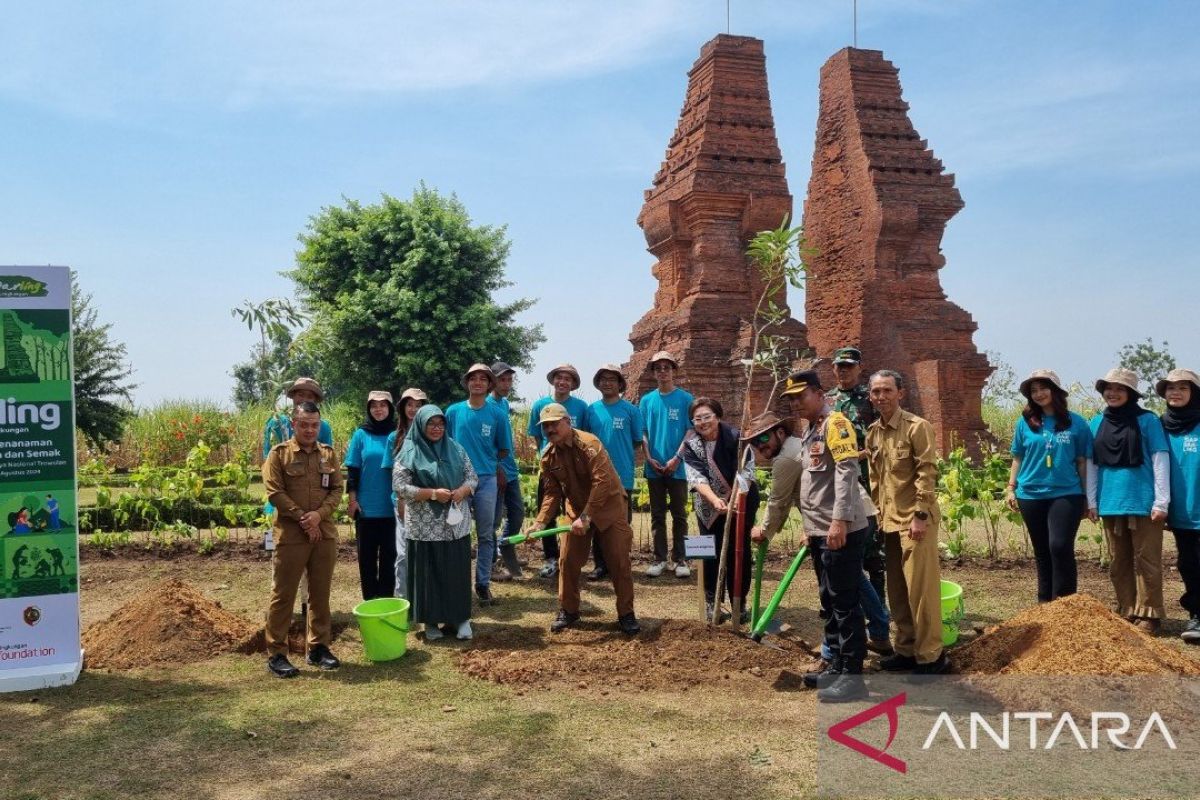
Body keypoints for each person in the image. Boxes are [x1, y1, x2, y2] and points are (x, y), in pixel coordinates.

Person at [752, 374, 872, 702]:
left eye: (800, 396)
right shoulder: (811, 430)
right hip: (819, 530)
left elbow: (848, 472)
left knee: (846, 604)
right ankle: (834, 665)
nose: (794, 403)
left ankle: (853, 676)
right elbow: (814, 482)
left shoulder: (837, 424)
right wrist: (812, 529)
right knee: (830, 602)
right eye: (790, 399)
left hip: (840, 528)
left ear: (819, 393)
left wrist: (839, 522)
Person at [530, 403, 639, 635]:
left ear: (568, 422)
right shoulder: (548, 457)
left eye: (555, 424)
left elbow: (602, 483)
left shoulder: (590, 444)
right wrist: (540, 522)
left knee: (619, 561)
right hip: (576, 511)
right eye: (545, 426)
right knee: (567, 561)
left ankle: (626, 614)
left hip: (608, 508)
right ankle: (568, 611)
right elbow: (552, 493)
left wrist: (587, 517)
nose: (550, 430)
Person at [866, 370, 947, 674]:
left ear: (900, 393)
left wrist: (921, 515)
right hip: (889, 522)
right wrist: (876, 513)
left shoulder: (917, 427)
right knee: (898, 589)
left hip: (915, 521)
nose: (881, 396)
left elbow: (927, 472)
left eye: (887, 390)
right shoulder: (874, 432)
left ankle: (931, 656)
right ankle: (906, 648)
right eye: (876, 391)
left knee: (921, 590)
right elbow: (876, 478)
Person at [262, 402, 343, 678]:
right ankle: (277, 653)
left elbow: (337, 490)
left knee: (320, 594)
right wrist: (303, 518)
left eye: (314, 425)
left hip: (323, 534)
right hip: (291, 536)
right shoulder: (279, 455)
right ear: (294, 424)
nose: (310, 429)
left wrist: (318, 517)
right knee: (283, 595)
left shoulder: (328, 455)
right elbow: (274, 492)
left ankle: (318, 648)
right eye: (304, 424)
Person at [1087, 367, 1170, 633]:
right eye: (1108, 388)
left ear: (1131, 393)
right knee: (1118, 560)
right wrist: (1091, 501)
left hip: (1143, 501)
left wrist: (1161, 501)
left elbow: (1160, 458)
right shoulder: (1096, 423)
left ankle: (1150, 613)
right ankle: (1127, 608)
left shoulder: (1147, 420)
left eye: (1120, 389)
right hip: (1110, 501)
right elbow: (1092, 465)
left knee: (1147, 559)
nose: (1113, 393)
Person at [1004, 370, 1092, 603]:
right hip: (1030, 494)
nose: (1039, 394)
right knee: (1042, 550)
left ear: (1055, 391)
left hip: (1067, 493)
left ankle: (1065, 603)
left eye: (1044, 388)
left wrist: (1087, 497)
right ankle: (1044, 602)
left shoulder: (1077, 423)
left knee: (1060, 546)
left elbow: (1083, 462)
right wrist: (1011, 488)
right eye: (1034, 391)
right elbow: (1017, 457)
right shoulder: (1024, 424)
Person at [393, 405, 478, 641]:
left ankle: (460, 619)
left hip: (454, 526)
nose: (436, 428)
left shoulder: (456, 448)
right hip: (424, 527)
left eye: (440, 424)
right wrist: (431, 493)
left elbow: (472, 477)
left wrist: (462, 490)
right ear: (420, 425)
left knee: (455, 572)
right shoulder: (408, 451)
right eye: (431, 423)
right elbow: (400, 487)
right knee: (428, 575)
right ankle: (430, 623)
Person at [826, 346, 891, 653]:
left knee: (873, 558)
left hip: (871, 485)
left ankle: (879, 624)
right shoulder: (828, 400)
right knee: (844, 555)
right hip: (840, 489)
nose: (844, 371)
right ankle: (855, 618)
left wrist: (867, 453)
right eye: (839, 366)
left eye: (849, 366)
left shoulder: (873, 398)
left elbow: (887, 435)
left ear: (859, 368)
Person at [680, 397, 759, 622]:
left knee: (739, 550)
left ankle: (738, 601)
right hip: (709, 506)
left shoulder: (736, 438)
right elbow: (696, 477)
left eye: (707, 417)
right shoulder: (691, 444)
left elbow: (747, 471)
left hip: (741, 500)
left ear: (718, 417)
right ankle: (711, 601)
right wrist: (715, 500)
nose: (703, 422)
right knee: (708, 553)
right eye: (697, 419)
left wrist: (736, 498)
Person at [446, 363, 513, 606]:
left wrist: (487, 462)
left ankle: (483, 583)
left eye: (483, 379)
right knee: (457, 533)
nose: (477, 382)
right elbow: (444, 443)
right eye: (473, 378)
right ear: (467, 382)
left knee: (486, 534)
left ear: (489, 384)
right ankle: (457, 583)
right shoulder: (453, 412)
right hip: (458, 482)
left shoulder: (497, 414)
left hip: (486, 481)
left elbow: (504, 448)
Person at [527, 364, 590, 579]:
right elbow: (537, 436)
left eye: (568, 379)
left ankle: (571, 556)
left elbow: (584, 437)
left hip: (574, 472)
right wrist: (544, 457)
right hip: (550, 468)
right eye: (559, 378)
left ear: (573, 384)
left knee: (573, 513)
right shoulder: (540, 405)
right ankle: (551, 558)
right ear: (553, 380)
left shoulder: (581, 407)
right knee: (549, 512)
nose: (563, 382)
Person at [584, 364, 644, 581]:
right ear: (598, 384)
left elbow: (637, 441)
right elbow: (584, 441)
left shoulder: (631, 411)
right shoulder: (591, 410)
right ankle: (600, 565)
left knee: (620, 523)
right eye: (603, 379)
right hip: (595, 475)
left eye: (612, 379)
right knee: (597, 521)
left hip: (623, 475)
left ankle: (620, 562)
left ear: (620, 384)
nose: (607, 383)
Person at [639, 350, 694, 578]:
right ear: (653, 373)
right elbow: (642, 432)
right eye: (658, 368)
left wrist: (676, 458)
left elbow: (691, 431)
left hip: (678, 467)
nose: (663, 371)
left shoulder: (685, 399)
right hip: (654, 466)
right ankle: (660, 558)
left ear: (674, 371)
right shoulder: (646, 400)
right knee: (657, 514)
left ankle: (680, 559)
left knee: (680, 514)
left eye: (667, 367)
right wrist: (648, 457)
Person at [1158, 368, 1200, 643]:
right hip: (1181, 511)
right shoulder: (1159, 425)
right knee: (1188, 563)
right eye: (1171, 388)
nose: (1175, 392)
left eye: (1183, 388)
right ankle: (1196, 613)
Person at [344, 390, 398, 601]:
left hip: (392, 508)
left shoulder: (398, 433)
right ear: (369, 409)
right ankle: (370, 602)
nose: (378, 409)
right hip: (366, 509)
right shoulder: (361, 435)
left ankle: (385, 602)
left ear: (390, 408)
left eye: (383, 405)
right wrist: (352, 500)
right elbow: (353, 470)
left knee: (389, 559)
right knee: (366, 561)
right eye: (374, 406)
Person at [261, 377, 334, 522]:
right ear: (293, 397)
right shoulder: (276, 423)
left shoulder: (322, 427)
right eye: (300, 394)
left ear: (315, 401)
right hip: (282, 492)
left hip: (313, 496)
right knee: (274, 536)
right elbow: (267, 456)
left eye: (310, 396)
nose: (304, 399)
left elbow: (327, 462)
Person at [381, 387, 428, 598]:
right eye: (410, 405)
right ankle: (403, 600)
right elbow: (392, 473)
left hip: (427, 499)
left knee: (425, 552)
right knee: (403, 553)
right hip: (402, 501)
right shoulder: (395, 437)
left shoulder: (431, 434)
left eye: (419, 405)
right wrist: (400, 499)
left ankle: (423, 599)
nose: (414, 409)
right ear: (403, 408)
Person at [488, 361, 526, 581]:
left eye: (509, 379)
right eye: (502, 379)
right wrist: (497, 470)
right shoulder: (489, 405)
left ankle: (505, 546)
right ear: (493, 381)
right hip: (497, 473)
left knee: (517, 513)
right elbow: (489, 445)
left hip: (510, 470)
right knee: (492, 520)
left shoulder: (503, 404)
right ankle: (491, 561)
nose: (506, 383)